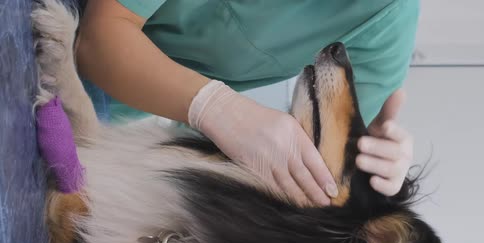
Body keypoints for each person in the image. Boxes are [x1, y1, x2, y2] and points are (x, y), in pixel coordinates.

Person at [71, 0, 418, 206]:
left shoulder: (385, 23)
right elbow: (98, 38)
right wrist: (216, 109)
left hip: (100, 102)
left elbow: (312, 181)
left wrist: (371, 179)